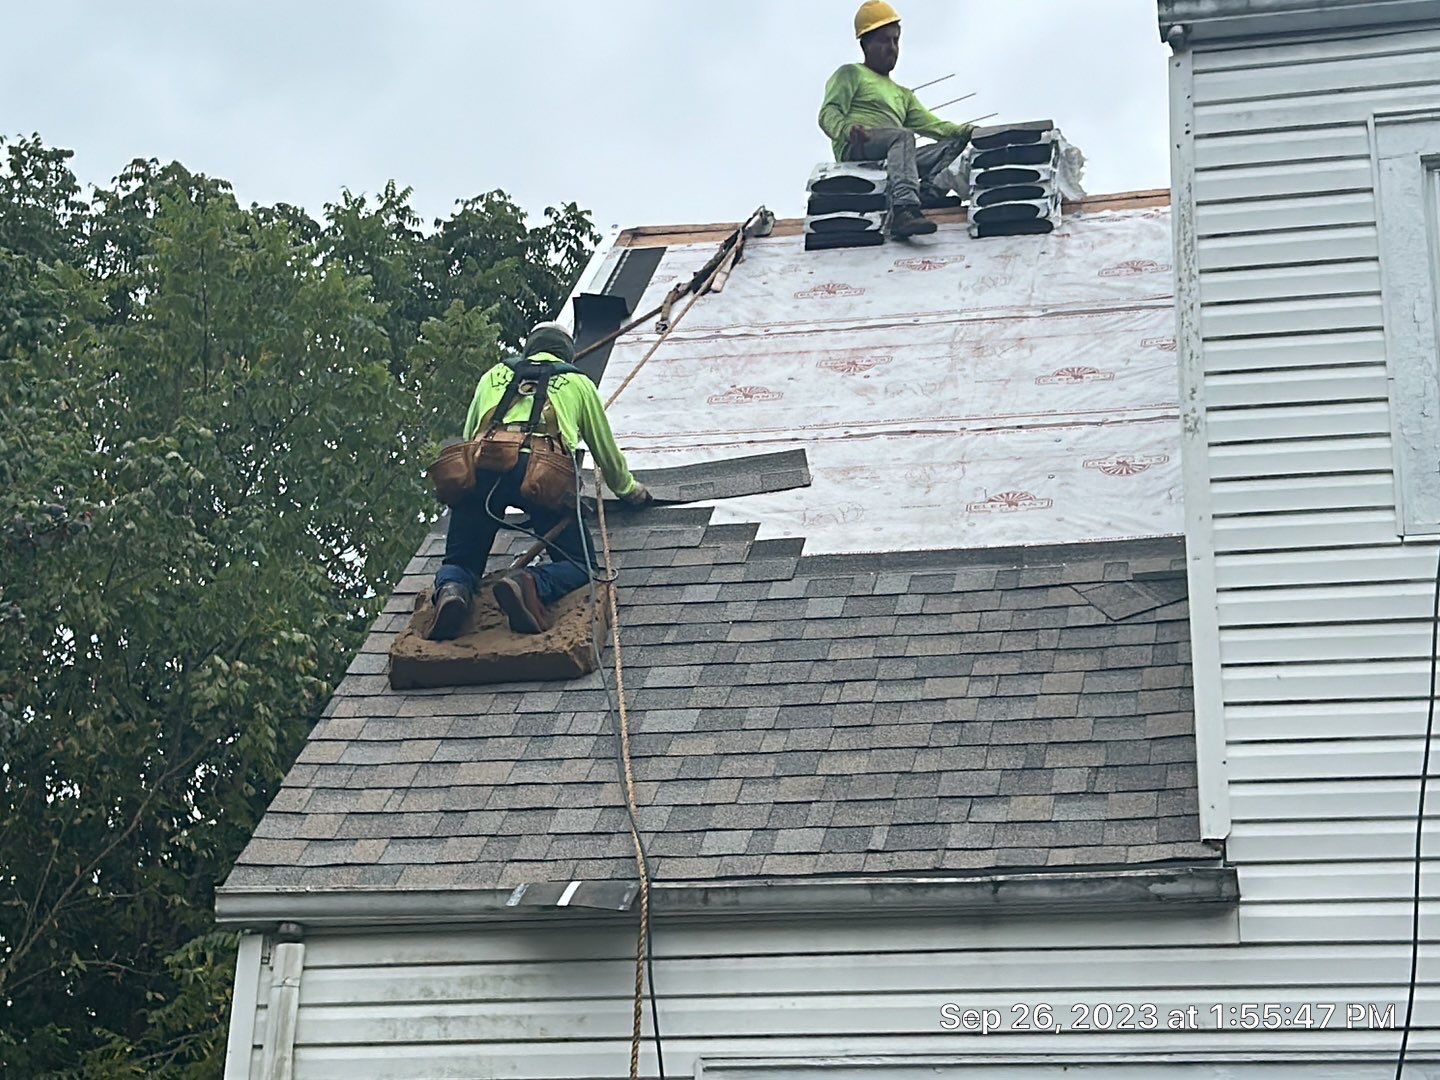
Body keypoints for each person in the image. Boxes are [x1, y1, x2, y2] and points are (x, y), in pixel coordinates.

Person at [429, 321, 650, 641]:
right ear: (566, 355)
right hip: (541, 473)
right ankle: (529, 583)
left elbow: (468, 436)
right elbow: (606, 453)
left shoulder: (493, 375)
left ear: (529, 348)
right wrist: (630, 491)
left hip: (482, 467)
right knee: (581, 565)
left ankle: (453, 590)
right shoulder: (578, 383)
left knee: (462, 558)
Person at [818, 1, 974, 238]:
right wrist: (847, 130)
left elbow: (936, 127)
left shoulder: (903, 94)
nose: (892, 48)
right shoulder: (851, 74)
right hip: (860, 148)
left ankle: (926, 196)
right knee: (902, 137)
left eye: (895, 40)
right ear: (865, 45)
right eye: (883, 40)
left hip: (896, 156)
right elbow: (828, 112)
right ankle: (905, 210)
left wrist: (968, 131)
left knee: (954, 144)